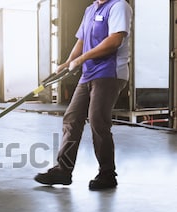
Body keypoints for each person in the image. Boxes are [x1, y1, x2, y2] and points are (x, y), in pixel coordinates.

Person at [34, 0, 133, 190]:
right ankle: (63, 171)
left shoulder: (118, 6)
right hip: (88, 74)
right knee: (72, 118)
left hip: (109, 72)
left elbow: (115, 40)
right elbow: (82, 40)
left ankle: (107, 174)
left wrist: (81, 59)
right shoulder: (90, 9)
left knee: (97, 120)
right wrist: (68, 62)